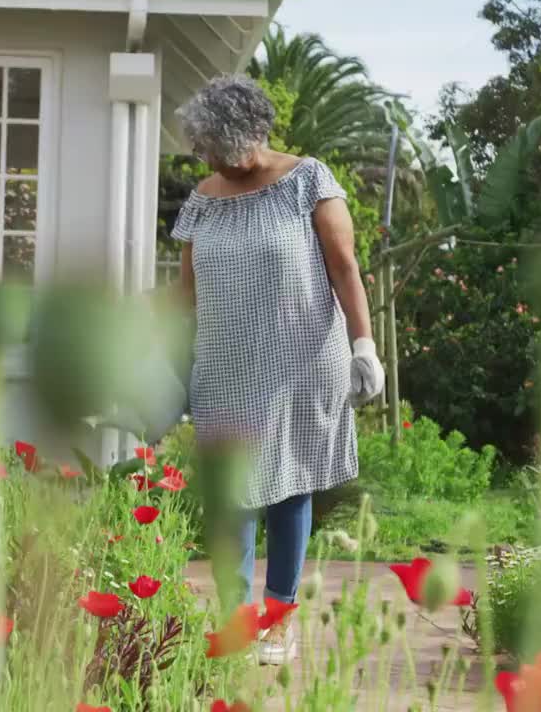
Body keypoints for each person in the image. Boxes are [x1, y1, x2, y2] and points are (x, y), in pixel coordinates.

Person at [172, 75, 385, 665]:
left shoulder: (308, 181)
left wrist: (364, 346)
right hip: (222, 365)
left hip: (299, 361)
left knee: (289, 485)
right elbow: (184, 296)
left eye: (210, 143)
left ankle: (279, 619)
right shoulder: (202, 200)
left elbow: (345, 269)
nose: (204, 156)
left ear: (245, 134)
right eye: (200, 146)